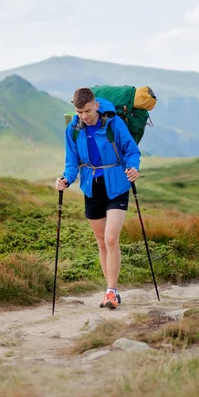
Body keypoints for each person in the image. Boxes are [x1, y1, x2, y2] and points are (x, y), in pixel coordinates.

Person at [55, 87, 140, 309]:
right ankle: (109, 290)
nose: (85, 116)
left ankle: (112, 291)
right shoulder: (72, 129)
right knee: (101, 241)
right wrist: (65, 179)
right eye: (80, 111)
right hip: (91, 187)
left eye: (88, 110)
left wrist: (133, 167)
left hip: (117, 184)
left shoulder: (114, 123)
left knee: (111, 239)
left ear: (97, 106)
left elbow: (131, 151)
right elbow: (72, 162)